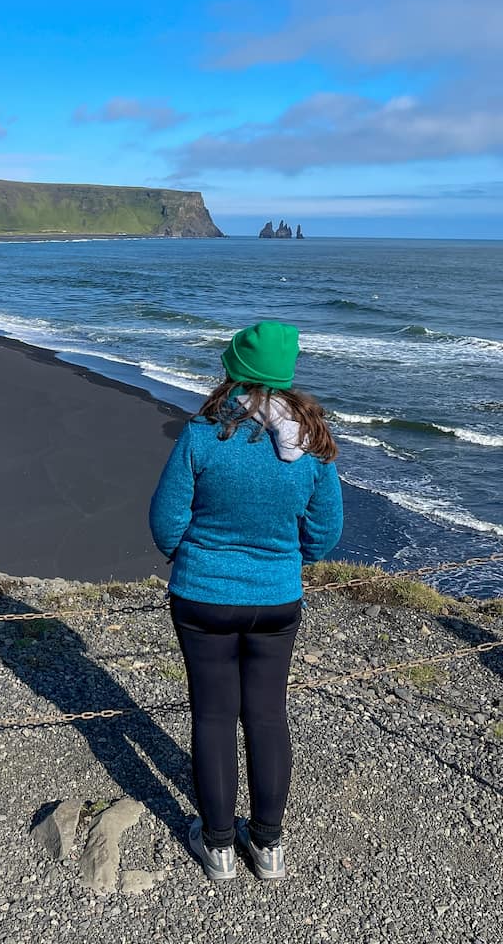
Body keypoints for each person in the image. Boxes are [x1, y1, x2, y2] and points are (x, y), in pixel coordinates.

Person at [149, 320, 343, 882]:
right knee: (266, 714)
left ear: (234, 370)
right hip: (277, 600)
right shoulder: (313, 443)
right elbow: (325, 532)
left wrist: (190, 558)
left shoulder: (205, 433)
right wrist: (287, 562)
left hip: (202, 596)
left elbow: (167, 522)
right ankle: (268, 846)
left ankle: (218, 847)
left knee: (212, 715)